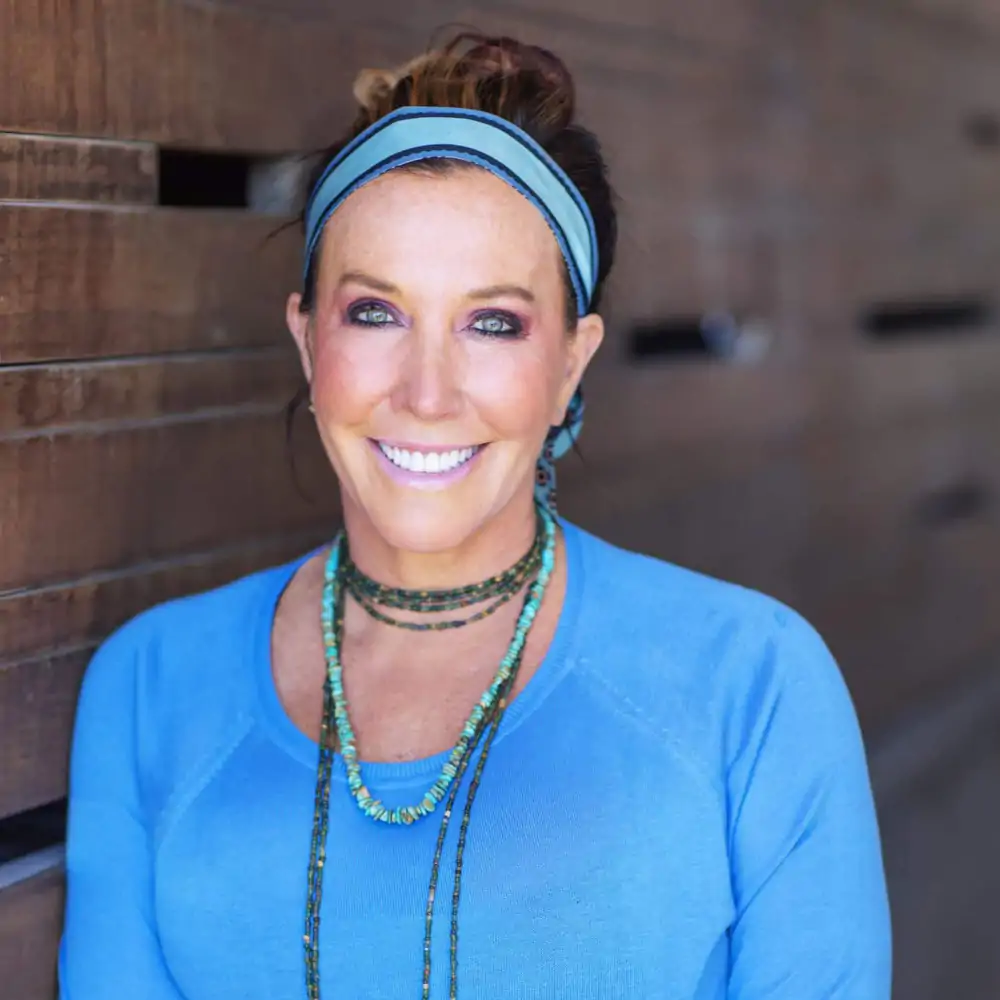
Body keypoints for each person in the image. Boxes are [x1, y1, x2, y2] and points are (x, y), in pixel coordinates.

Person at [58, 32, 891, 1000]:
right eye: (375, 313)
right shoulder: (149, 688)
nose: (427, 392)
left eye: (492, 324)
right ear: (308, 338)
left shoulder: (751, 683)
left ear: (571, 362)